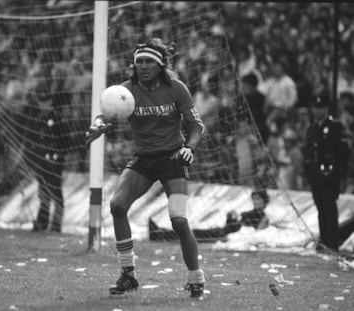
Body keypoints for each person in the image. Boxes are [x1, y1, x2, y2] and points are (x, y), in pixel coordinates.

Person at [85, 38, 206, 299]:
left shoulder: (176, 88)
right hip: (143, 160)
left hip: (173, 159)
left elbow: (197, 126)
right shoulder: (125, 91)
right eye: (139, 61)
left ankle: (196, 278)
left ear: (161, 65)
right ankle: (128, 275)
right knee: (117, 205)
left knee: (178, 220)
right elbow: (105, 114)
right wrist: (97, 125)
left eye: (149, 61)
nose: (143, 66)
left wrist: (190, 149)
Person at [303, 94, 350, 252]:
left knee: (330, 209)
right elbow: (309, 153)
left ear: (326, 108)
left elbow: (343, 152)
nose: (317, 111)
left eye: (320, 107)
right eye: (315, 108)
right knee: (321, 208)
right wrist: (308, 173)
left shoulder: (335, 127)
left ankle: (332, 242)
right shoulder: (312, 128)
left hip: (330, 175)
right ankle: (323, 241)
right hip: (316, 175)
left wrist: (340, 174)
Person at [22, 83, 70, 233]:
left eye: (46, 100)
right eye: (41, 101)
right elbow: (31, 140)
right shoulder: (37, 119)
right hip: (40, 161)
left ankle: (56, 224)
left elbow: (65, 141)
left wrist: (59, 156)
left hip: (54, 161)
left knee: (56, 193)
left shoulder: (56, 119)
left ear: (50, 101)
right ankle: (42, 222)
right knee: (43, 193)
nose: (44, 104)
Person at [149, 188, 270, 243]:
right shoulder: (247, 213)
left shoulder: (263, 217)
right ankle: (160, 233)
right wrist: (231, 218)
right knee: (193, 232)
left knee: (193, 234)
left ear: (264, 201)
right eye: (254, 199)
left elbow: (257, 234)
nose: (255, 202)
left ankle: (159, 234)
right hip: (223, 231)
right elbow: (232, 227)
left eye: (258, 199)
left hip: (224, 235)